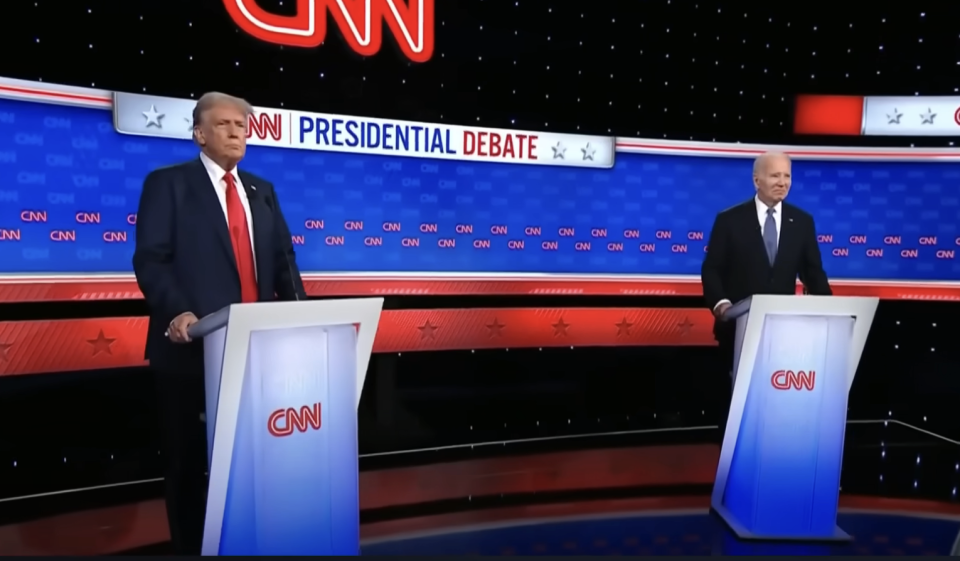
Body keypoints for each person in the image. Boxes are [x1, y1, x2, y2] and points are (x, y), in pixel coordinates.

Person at [132, 92, 306, 555]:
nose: (236, 133)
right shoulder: (167, 184)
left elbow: (283, 263)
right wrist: (178, 313)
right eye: (225, 124)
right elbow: (152, 261)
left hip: (257, 354)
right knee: (190, 465)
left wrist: (302, 319)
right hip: (191, 352)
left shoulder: (261, 191)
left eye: (242, 126)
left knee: (254, 461)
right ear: (200, 133)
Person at [700, 151, 831, 439]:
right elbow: (712, 270)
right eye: (775, 176)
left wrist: (829, 311)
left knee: (773, 402)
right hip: (737, 329)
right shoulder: (729, 220)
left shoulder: (803, 221)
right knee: (735, 402)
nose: (783, 182)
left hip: (783, 333)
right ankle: (730, 460)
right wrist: (722, 305)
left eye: (787, 176)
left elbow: (813, 273)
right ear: (756, 180)